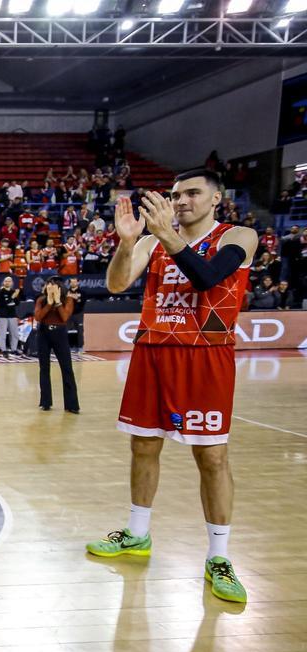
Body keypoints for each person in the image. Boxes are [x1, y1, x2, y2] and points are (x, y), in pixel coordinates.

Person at [87, 170, 258, 604]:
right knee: (143, 447)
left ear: (216, 197)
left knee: (212, 457)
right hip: (152, 351)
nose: (181, 201)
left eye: (192, 193)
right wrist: (128, 243)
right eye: (176, 194)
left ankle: (218, 557)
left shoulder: (237, 236)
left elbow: (208, 278)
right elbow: (116, 284)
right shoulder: (150, 242)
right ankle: (137, 534)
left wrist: (167, 235)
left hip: (205, 354)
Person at [34, 277, 80, 414]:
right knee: (44, 368)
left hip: (59, 333)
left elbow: (65, 317)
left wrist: (58, 302)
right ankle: (45, 402)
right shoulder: (41, 300)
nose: (50, 288)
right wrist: (48, 304)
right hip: (43, 333)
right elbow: (38, 317)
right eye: (48, 285)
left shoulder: (68, 299)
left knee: (67, 368)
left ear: (60, 288)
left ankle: (72, 404)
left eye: (53, 286)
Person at [0, 275, 21, 355]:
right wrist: (13, 296)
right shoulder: (0, 292)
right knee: (2, 333)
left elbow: (17, 303)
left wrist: (15, 297)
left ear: (12, 283)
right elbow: (2, 304)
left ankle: (14, 349)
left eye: (9, 281)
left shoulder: (14, 291)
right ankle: (3, 349)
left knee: (14, 333)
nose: (7, 282)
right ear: (3, 282)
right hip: (2, 315)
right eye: (6, 281)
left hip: (12, 314)